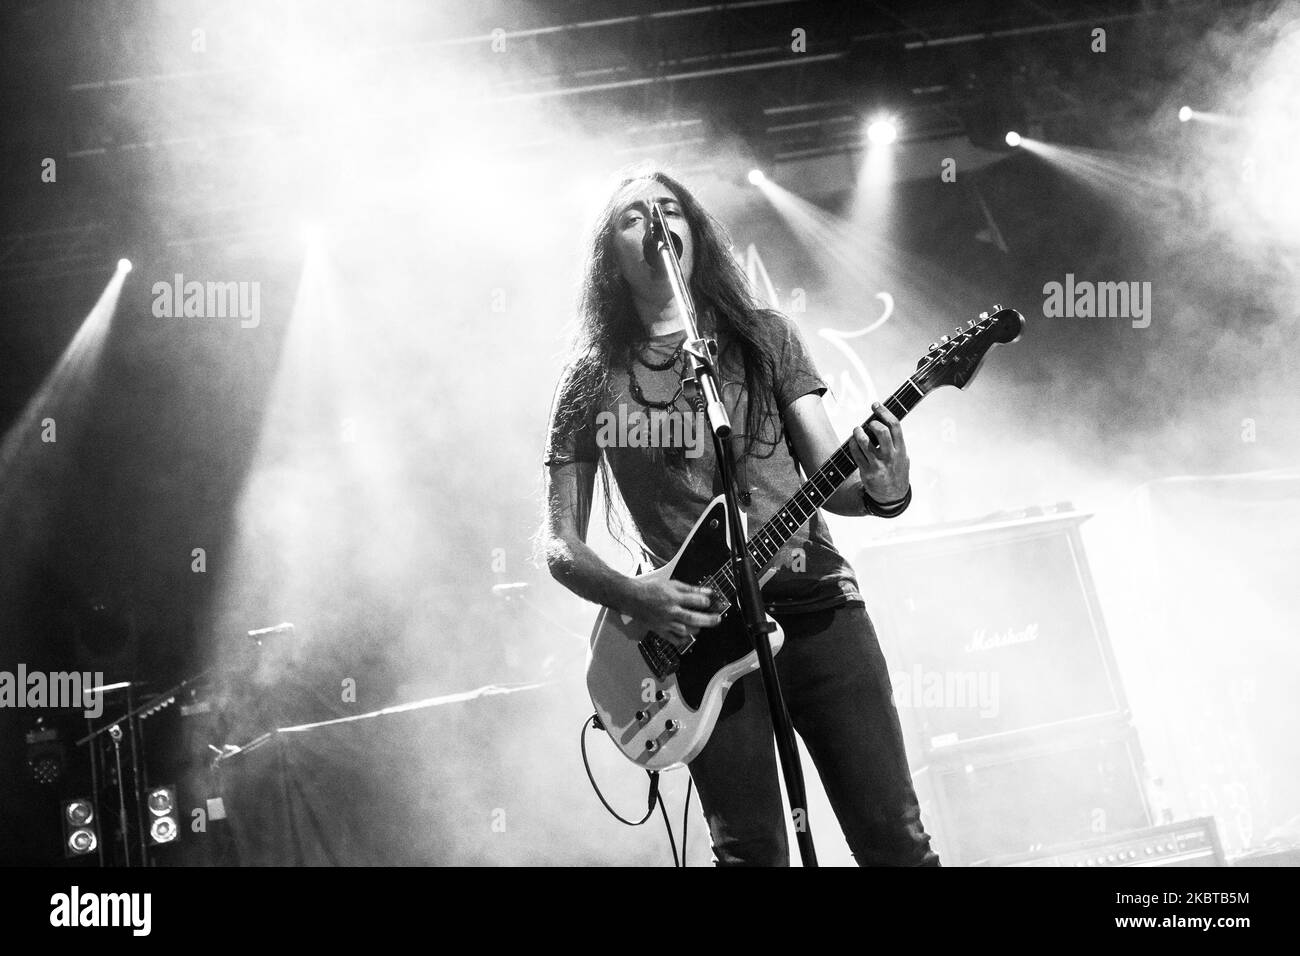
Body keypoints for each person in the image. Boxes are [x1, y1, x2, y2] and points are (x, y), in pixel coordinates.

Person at [539, 167, 940, 867]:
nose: (656, 223)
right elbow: (559, 543)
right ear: (610, 252)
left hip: (819, 613)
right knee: (751, 854)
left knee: (894, 840)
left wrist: (886, 488)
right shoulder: (590, 379)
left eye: (670, 209)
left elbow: (830, 482)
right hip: (696, 647)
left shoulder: (763, 338)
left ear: (694, 232)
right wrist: (637, 595)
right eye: (633, 217)